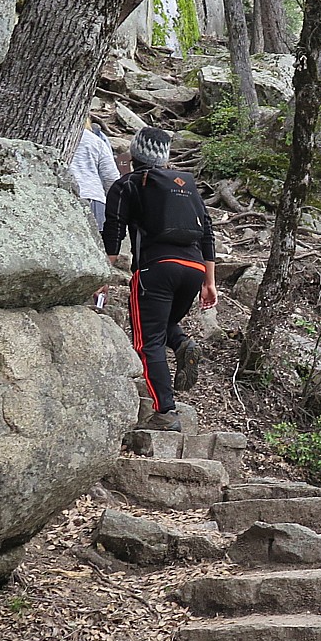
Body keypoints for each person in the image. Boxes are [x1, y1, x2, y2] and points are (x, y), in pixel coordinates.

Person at [103, 127, 217, 432]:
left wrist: (104, 274)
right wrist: (210, 281)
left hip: (156, 269)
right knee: (163, 325)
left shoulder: (127, 184)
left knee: (148, 340)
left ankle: (165, 412)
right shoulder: (185, 186)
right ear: (164, 157)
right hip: (193, 270)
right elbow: (206, 230)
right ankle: (181, 342)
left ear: (135, 153)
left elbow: (113, 230)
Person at [70, 117, 119, 227]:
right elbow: (111, 177)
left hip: (63, 197)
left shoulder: (51, 137)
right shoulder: (96, 141)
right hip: (94, 198)